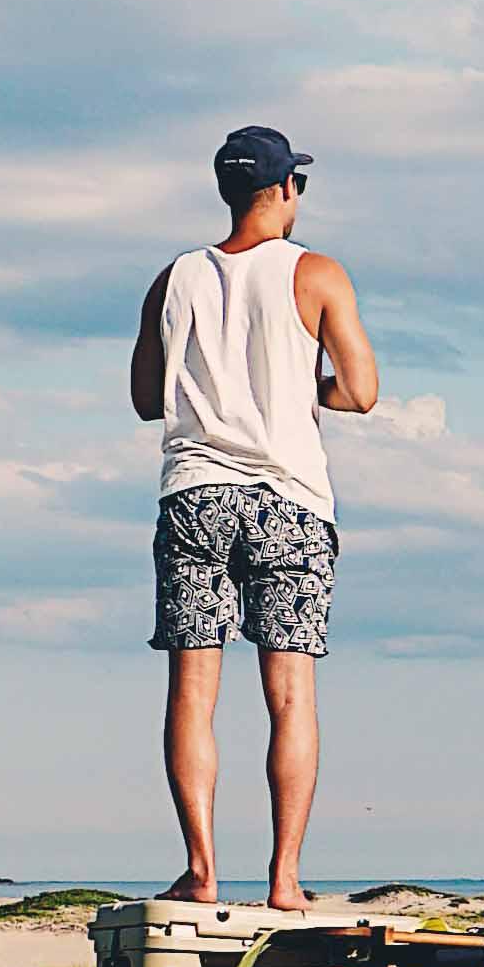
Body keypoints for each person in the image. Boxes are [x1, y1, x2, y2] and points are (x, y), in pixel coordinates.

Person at [130, 124, 378, 909]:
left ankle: (201, 870)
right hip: (290, 498)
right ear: (285, 189)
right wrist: (303, 391)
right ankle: (284, 877)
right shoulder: (317, 273)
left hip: (196, 492)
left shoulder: (173, 279)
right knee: (291, 694)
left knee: (191, 691)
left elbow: (146, 398)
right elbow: (361, 391)